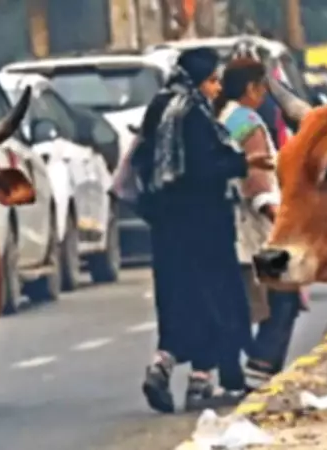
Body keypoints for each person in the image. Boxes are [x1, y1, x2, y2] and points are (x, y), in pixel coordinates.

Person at [132, 47, 273, 413]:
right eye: (211, 80)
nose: (215, 89)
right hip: (204, 227)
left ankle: (181, 375)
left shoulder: (160, 107)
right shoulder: (193, 113)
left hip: (167, 229)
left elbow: (143, 162)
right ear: (198, 80)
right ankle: (184, 377)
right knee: (216, 302)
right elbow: (203, 166)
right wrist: (244, 162)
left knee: (179, 303)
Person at [218, 52, 306, 389]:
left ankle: (238, 371)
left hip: (231, 225)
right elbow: (256, 175)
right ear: (252, 88)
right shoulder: (246, 122)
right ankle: (261, 367)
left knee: (246, 305)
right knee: (284, 298)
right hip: (256, 227)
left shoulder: (221, 115)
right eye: (262, 88)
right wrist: (276, 215)